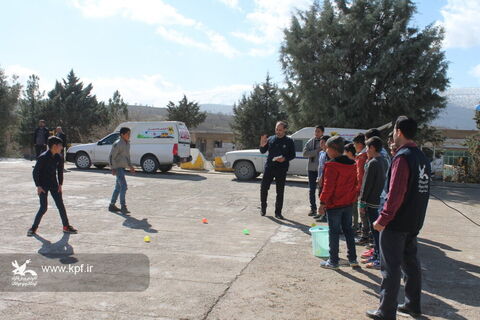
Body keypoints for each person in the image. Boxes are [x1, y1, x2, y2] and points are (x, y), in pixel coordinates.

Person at [367, 116, 431, 320]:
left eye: (394, 129)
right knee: (411, 265)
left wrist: (382, 219)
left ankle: (386, 311)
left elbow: (396, 194)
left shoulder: (403, 158)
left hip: (396, 223)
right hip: (414, 221)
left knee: (390, 268)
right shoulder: (420, 156)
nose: (393, 133)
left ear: (399, 132)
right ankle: (413, 305)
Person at [318, 136, 358, 269]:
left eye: (327, 148)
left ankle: (333, 261)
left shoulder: (331, 165)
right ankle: (353, 259)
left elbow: (328, 187)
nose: (326, 151)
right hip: (347, 203)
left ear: (333, 149)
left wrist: (323, 203)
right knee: (348, 231)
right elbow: (355, 184)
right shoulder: (353, 164)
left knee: (334, 233)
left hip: (334, 204)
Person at [27, 136, 77, 236]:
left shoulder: (59, 157)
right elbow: (35, 172)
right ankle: (33, 228)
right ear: (54, 146)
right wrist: (38, 186)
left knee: (60, 206)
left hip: (54, 185)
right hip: (43, 186)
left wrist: (60, 185)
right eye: (60, 145)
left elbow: (60, 172)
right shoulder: (43, 157)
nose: (62, 147)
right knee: (43, 208)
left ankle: (66, 226)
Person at [358, 137, 388, 270]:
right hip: (378, 200)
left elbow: (367, 184)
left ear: (373, 148)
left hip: (372, 201)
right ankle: (376, 255)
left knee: (375, 232)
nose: (366, 151)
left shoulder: (373, 162)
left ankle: (378, 258)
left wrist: (362, 203)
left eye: (367, 147)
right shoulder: (383, 160)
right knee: (376, 231)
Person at [259, 121, 296, 220]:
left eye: (280, 130)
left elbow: (293, 155)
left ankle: (278, 212)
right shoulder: (270, 139)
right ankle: (263, 208)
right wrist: (262, 144)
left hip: (281, 169)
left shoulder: (289, 141)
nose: (278, 131)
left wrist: (284, 158)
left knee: (280, 191)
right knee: (263, 188)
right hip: (269, 168)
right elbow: (262, 151)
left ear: (284, 130)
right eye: (276, 129)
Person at [109, 127, 135, 215]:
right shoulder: (118, 144)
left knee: (118, 187)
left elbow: (127, 156)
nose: (129, 136)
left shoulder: (127, 144)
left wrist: (130, 166)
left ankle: (112, 205)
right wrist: (113, 168)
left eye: (129, 134)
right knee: (124, 186)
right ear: (122, 135)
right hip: (117, 168)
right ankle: (123, 206)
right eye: (127, 134)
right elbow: (111, 156)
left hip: (122, 167)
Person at [302, 125, 324, 216]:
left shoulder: (325, 142)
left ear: (322, 132)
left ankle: (322, 210)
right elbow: (305, 153)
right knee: (311, 190)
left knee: (322, 190)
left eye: (318, 131)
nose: (316, 133)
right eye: (315, 131)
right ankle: (313, 209)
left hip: (322, 170)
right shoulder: (310, 142)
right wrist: (316, 151)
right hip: (311, 169)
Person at [353, 133, 370, 245]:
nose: (354, 146)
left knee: (363, 212)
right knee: (363, 212)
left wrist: (358, 189)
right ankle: (366, 234)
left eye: (355, 144)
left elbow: (361, 175)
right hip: (361, 188)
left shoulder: (363, 156)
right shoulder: (361, 154)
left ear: (359, 144)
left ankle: (365, 236)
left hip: (362, 189)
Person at [313, 135, 330, 222]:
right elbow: (320, 167)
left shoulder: (328, 154)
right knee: (320, 195)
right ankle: (321, 213)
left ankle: (325, 215)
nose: (321, 144)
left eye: (323, 142)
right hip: (319, 178)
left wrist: (322, 178)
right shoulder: (321, 153)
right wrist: (318, 177)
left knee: (324, 197)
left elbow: (326, 168)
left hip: (325, 179)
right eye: (320, 142)